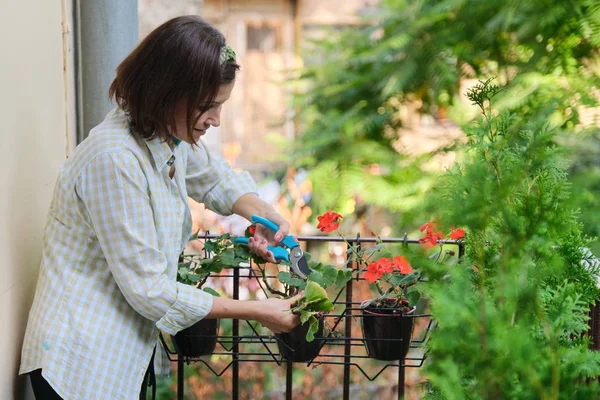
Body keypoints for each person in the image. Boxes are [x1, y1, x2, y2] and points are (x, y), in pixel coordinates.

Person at [19, 15, 300, 400]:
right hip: (79, 363)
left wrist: (264, 216)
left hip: (116, 358)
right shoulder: (114, 159)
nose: (216, 120)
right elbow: (150, 291)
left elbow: (216, 179)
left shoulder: (165, 137)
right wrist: (258, 310)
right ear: (167, 93)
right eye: (207, 106)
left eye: (221, 105)